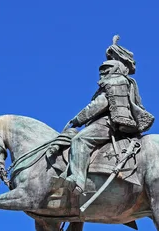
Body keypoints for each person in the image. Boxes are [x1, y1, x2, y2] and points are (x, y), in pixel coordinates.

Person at [63, 36, 154, 195]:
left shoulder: (114, 82)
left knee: (79, 140)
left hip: (108, 123)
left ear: (114, 69)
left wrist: (77, 119)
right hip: (113, 122)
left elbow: (98, 105)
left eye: (105, 70)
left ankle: (77, 179)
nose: (102, 73)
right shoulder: (124, 81)